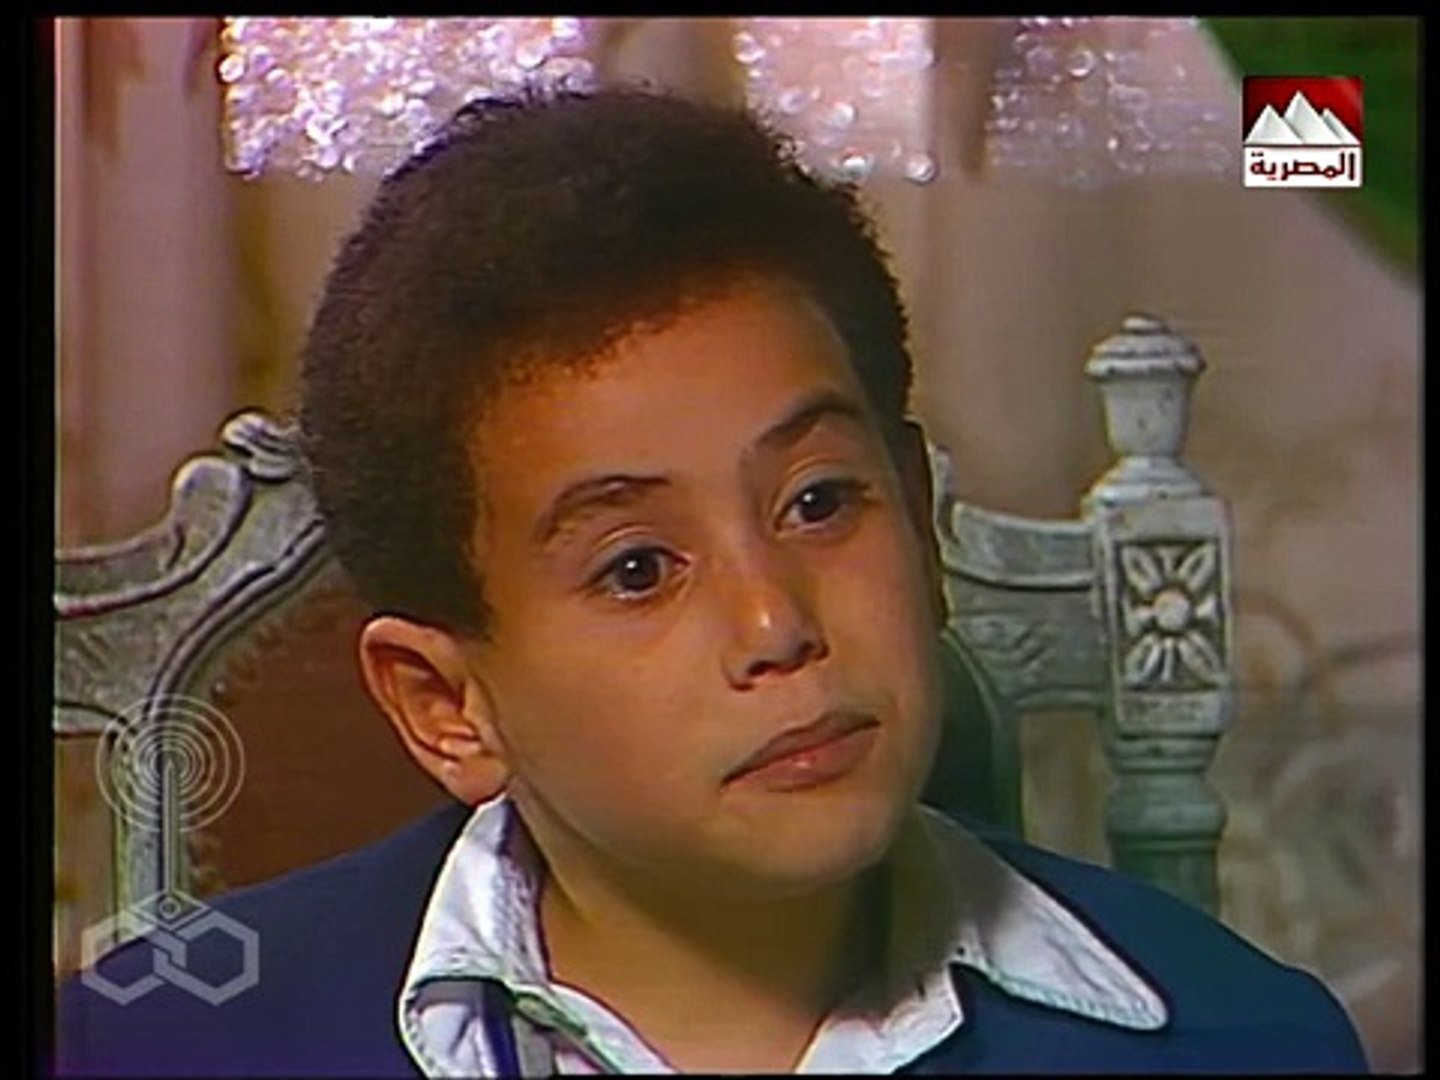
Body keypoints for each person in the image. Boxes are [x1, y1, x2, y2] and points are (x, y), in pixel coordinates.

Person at [55, 86, 1368, 1076]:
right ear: (447, 705)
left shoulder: (1239, 1036)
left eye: (820, 503)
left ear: (917, 521)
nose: (776, 623)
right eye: (638, 568)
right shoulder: (158, 1041)